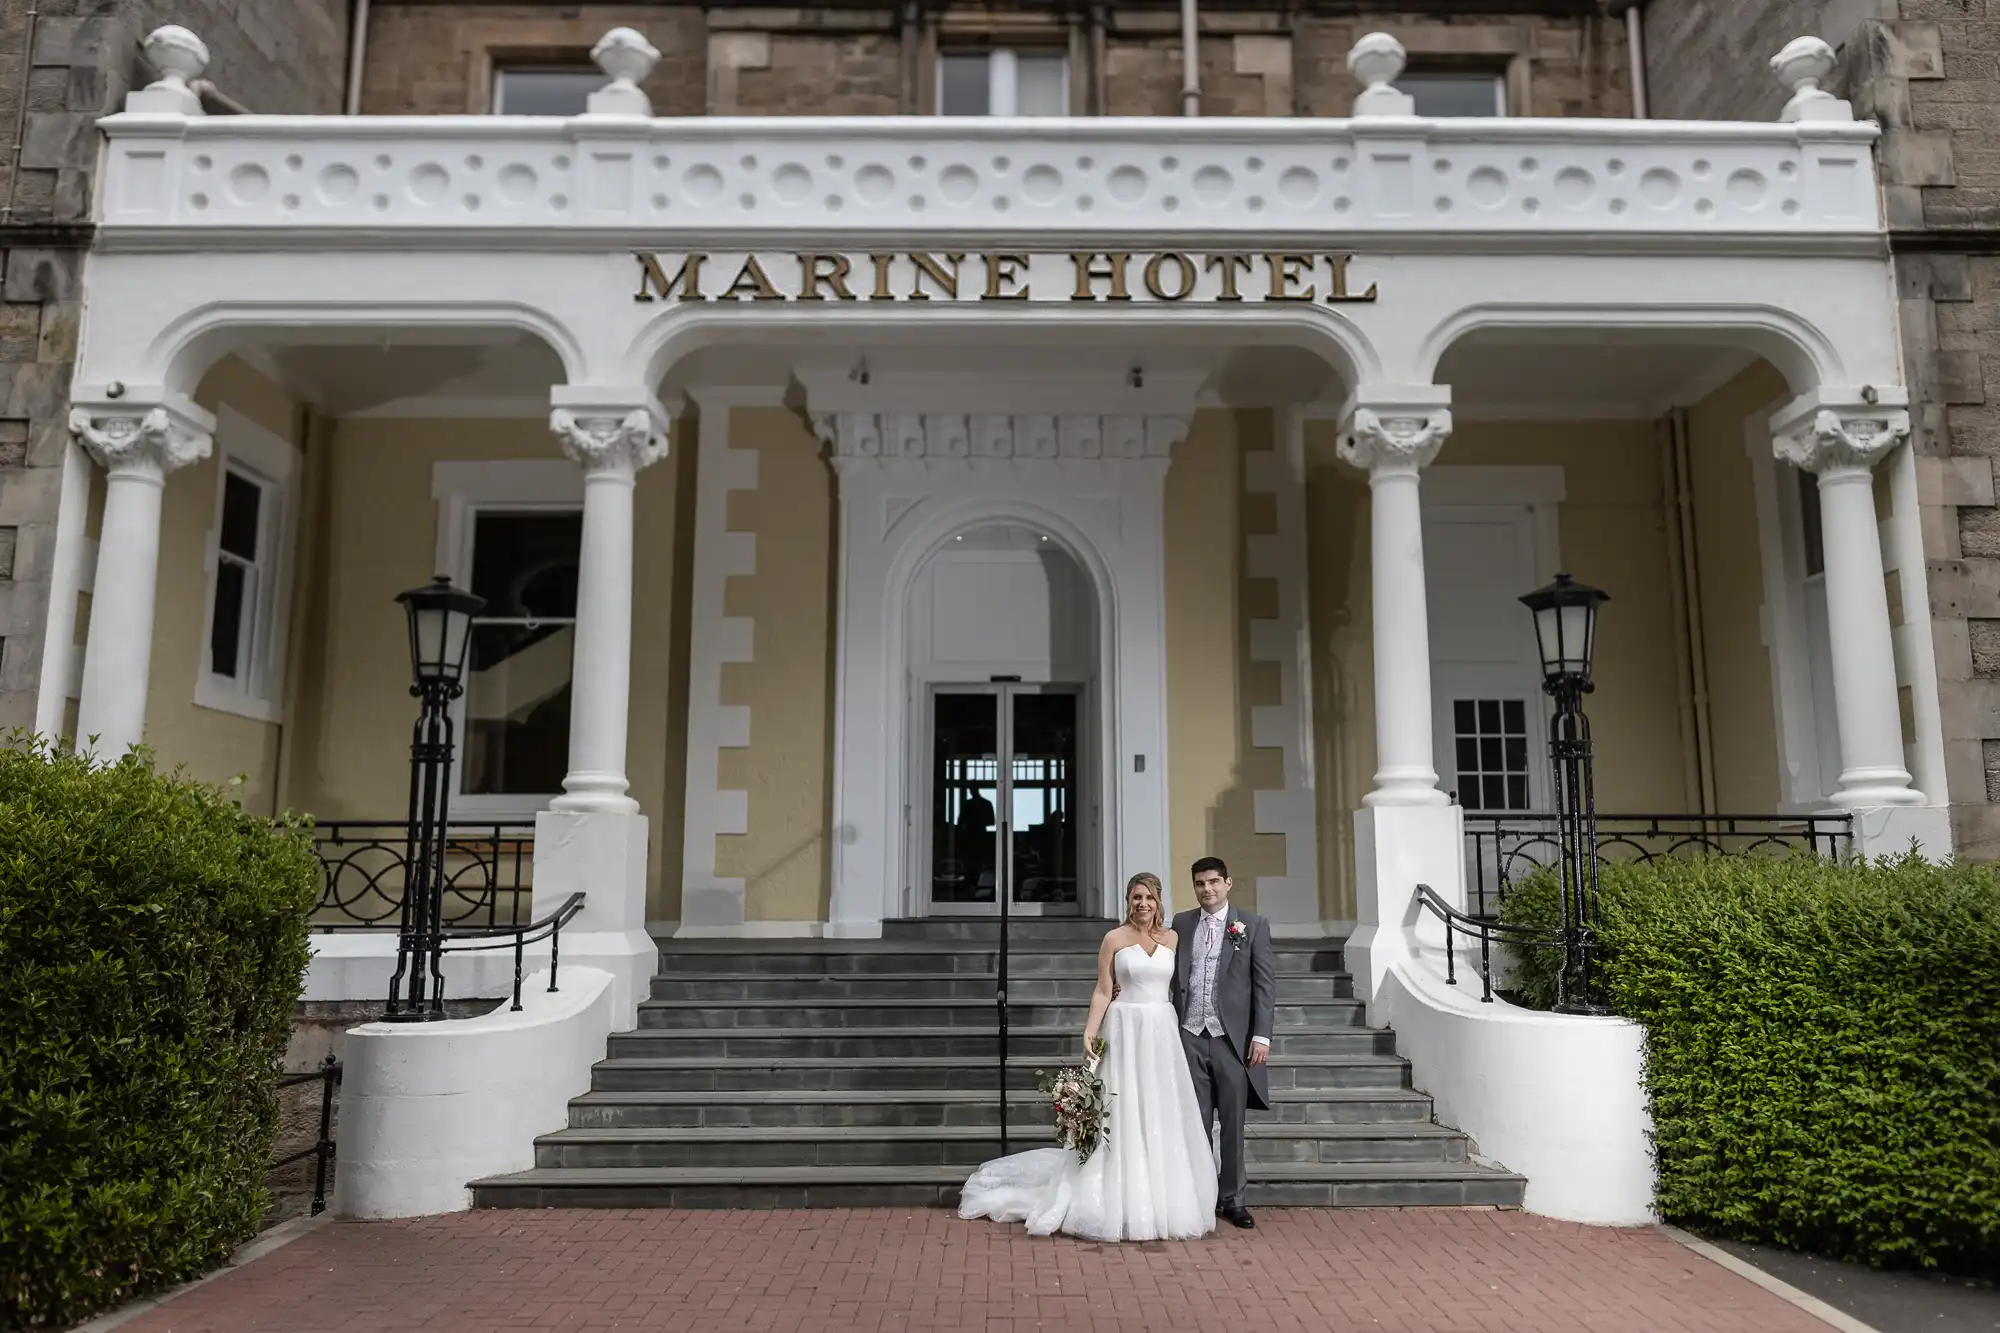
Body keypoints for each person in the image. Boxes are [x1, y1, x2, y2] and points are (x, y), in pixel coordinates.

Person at [956, 872, 1218, 1241]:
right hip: (1124, 1026)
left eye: (1150, 898)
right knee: (1122, 1108)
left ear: (1160, 902)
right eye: (1136, 897)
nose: (1143, 904)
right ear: (1128, 900)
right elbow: (1102, 989)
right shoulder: (1114, 938)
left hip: (1161, 1030)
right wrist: (1090, 1031)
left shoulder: (1172, 938)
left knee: (1160, 1108)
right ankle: (1114, 1193)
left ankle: (1164, 1196)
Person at [1170, 856, 1276, 1230]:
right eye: (1200, 883)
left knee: (1231, 1125)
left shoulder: (1252, 925)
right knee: (1194, 1123)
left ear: (1228, 883)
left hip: (1232, 1040)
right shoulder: (1182, 923)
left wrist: (1261, 1035)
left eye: (1214, 882)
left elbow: (1264, 985)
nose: (1207, 889)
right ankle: (1198, 1197)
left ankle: (1233, 1199)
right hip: (1190, 1036)